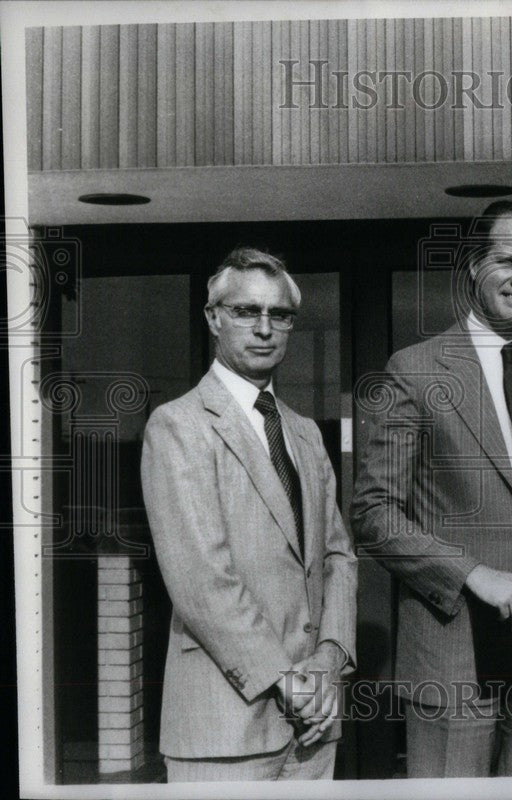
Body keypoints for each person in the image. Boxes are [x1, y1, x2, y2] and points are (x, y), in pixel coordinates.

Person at [351, 201, 512, 778]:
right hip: (453, 653)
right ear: (473, 266)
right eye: (508, 261)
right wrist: (472, 574)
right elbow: (372, 512)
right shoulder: (414, 370)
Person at [140, 247, 357, 781]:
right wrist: (289, 681)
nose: (264, 328)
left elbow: (338, 558)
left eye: (279, 315)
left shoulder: (304, 432)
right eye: (246, 311)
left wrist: (329, 663)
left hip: (314, 725)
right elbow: (201, 579)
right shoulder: (179, 426)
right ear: (214, 318)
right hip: (226, 726)